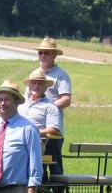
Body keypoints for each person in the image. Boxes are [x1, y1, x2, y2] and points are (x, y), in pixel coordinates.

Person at [0, 81, 42, 193]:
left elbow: (35, 163)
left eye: (7, 99)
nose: (2, 103)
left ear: (16, 102)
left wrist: (32, 189)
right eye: (0, 100)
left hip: (16, 189)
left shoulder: (28, 128)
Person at [29, 37, 71, 177]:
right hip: (34, 130)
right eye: (41, 52)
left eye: (47, 53)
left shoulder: (61, 75)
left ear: (54, 55)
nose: (43, 55)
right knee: (37, 168)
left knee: (55, 169)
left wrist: (46, 107)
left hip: (52, 132)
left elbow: (66, 99)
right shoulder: (35, 74)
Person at [17, 70, 61, 184]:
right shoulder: (20, 101)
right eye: (34, 83)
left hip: (36, 141)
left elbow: (54, 129)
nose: (36, 86)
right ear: (29, 85)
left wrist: (34, 131)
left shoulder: (50, 106)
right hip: (16, 137)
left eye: (40, 83)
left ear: (46, 87)